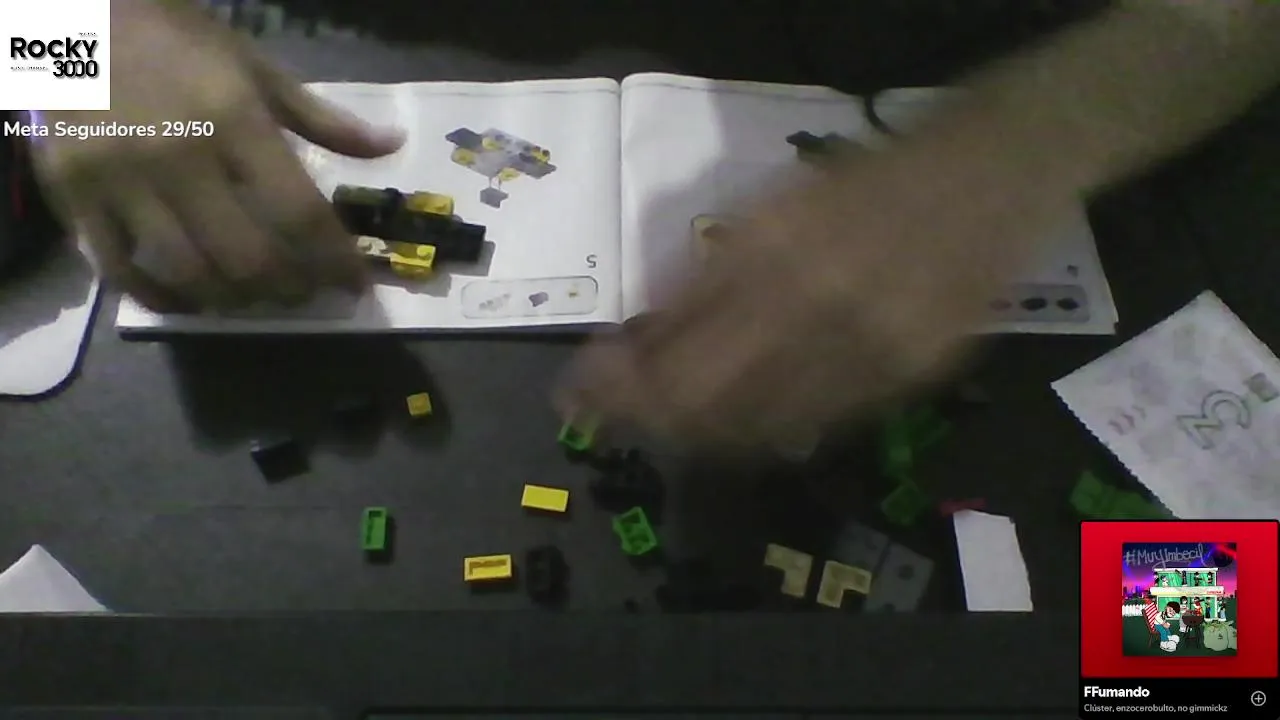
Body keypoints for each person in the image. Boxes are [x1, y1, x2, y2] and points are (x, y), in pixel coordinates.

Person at [30, 0, 1280, 446]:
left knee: (1188, 654)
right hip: (305, 86)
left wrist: (1023, 142)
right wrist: (66, 38)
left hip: (1059, 121)